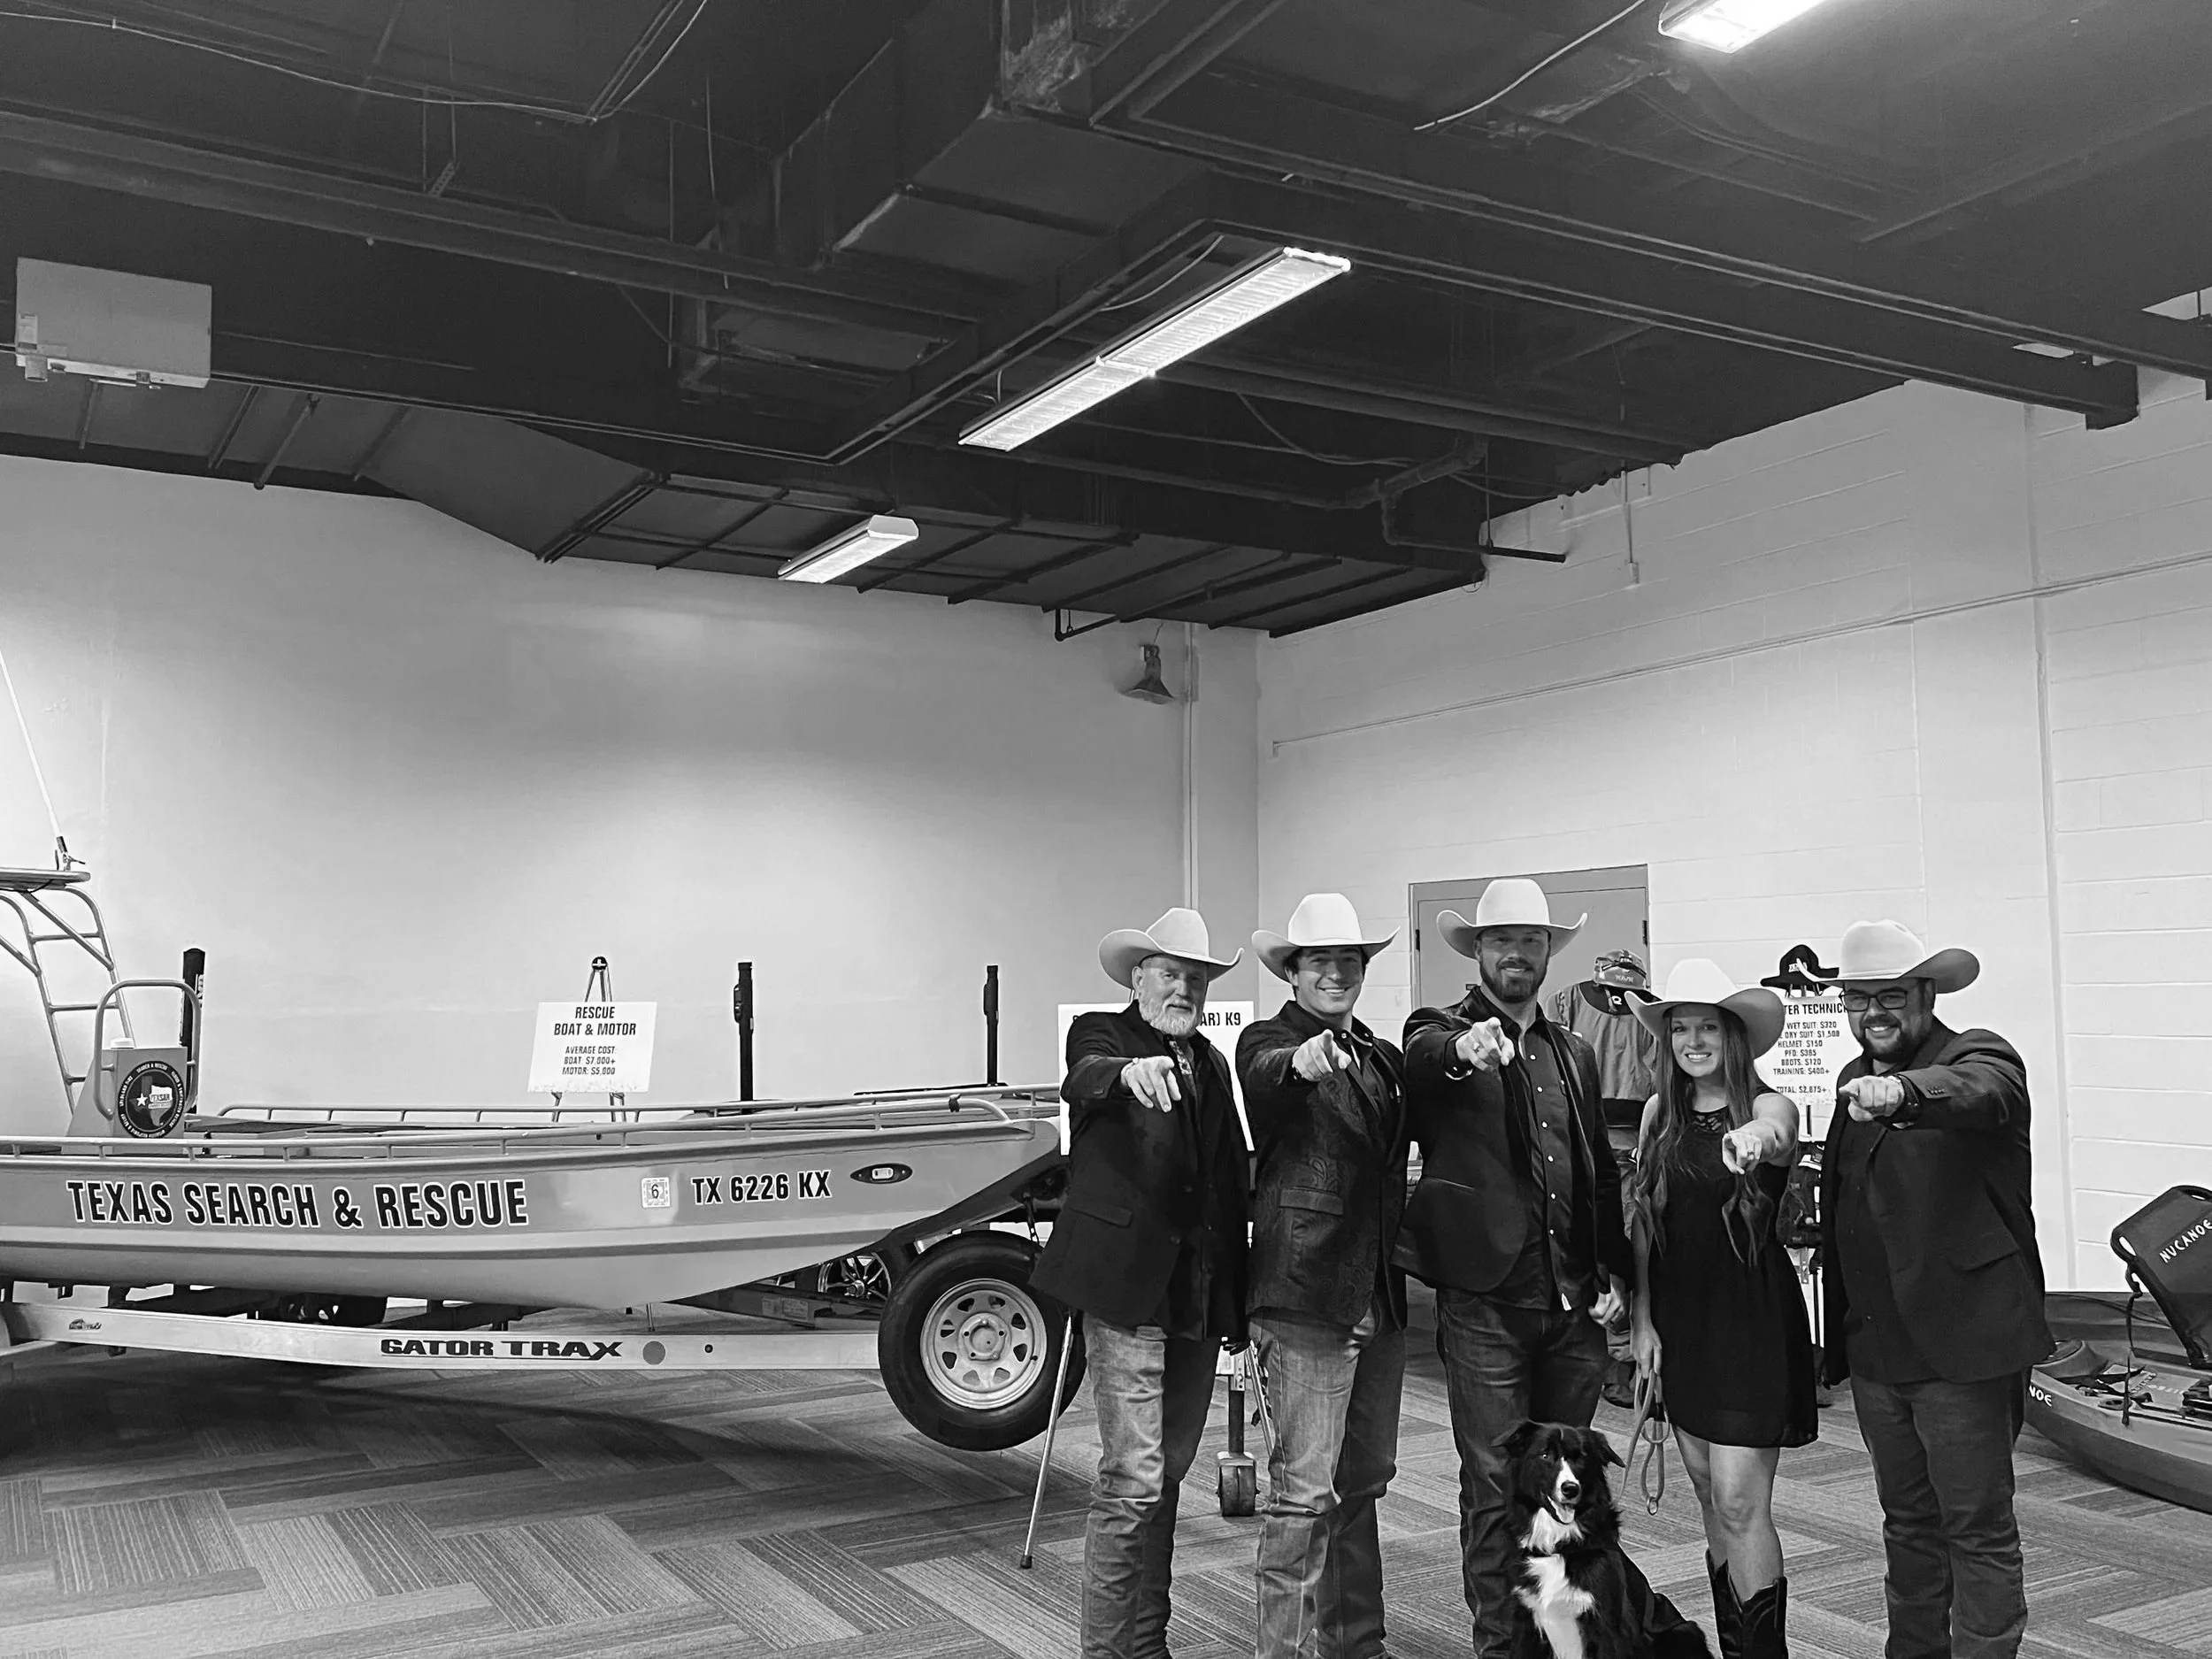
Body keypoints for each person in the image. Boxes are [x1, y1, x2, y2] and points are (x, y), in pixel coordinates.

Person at [1395, 876, 1632, 1659]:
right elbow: (1427, 1060)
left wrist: (1612, 1271)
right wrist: (1465, 1050)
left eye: (1532, 941)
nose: (1519, 954)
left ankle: (1556, 1642)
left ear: (1547, 952)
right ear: (1479, 951)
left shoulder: (1573, 1052)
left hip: (1572, 1308)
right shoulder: (1440, 1027)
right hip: (1486, 1305)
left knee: (1567, 1493)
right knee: (1496, 1487)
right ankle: (1501, 1647)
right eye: (1503, 941)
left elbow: (1598, 1169)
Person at [1817, 921, 2048, 1659]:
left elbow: (1978, 1092)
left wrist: (1903, 1092)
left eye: (1891, 995)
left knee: (1975, 1529)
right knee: (1908, 1527)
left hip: (1965, 1350)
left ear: (1926, 994)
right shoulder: (1853, 1078)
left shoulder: (1977, 1054)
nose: (1873, 1011)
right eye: (1859, 998)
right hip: (1880, 1352)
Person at [1033, 906, 1253, 1659]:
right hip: (1126, 1295)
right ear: (1138, 977)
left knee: (1165, 1480)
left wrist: (1237, 1304)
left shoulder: (1215, 1063)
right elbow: (1084, 1079)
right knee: (1132, 1481)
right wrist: (1130, 1073)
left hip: (1194, 1299)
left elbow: (1228, 1183)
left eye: (1195, 977)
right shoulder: (1102, 1034)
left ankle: (1146, 1645)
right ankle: (1107, 1651)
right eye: (1170, 973)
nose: (1184, 988)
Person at [1627, 959, 1816, 1659]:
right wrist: (1643, 1320)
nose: (1694, 1040)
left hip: (1751, 1323)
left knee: (1741, 1502)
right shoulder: (1658, 1115)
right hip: (1683, 1323)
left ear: (1733, 1037)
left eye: (1708, 1027)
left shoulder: (1768, 1105)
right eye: (1682, 1028)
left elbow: (1778, 1135)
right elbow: (1646, 1222)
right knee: (1709, 1496)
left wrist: (1748, 1143)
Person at [1238, 893, 1408, 1659]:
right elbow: (1270, 1077)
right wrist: (1303, 1062)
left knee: (1363, 1483)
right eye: (1321, 961)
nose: (1337, 971)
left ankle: (1356, 1645)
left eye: (1350, 959)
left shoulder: (1379, 1054)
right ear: (1294, 971)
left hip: (1377, 1295)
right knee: (1302, 1495)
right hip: (1304, 1294)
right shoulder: (1266, 1040)